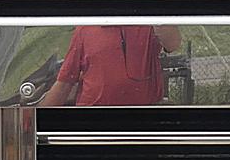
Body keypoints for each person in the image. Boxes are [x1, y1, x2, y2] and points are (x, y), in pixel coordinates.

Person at [39, 24, 183, 107]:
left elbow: (173, 44)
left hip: (143, 121)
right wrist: (36, 122)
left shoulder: (149, 24)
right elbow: (65, 82)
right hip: (94, 120)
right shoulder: (85, 29)